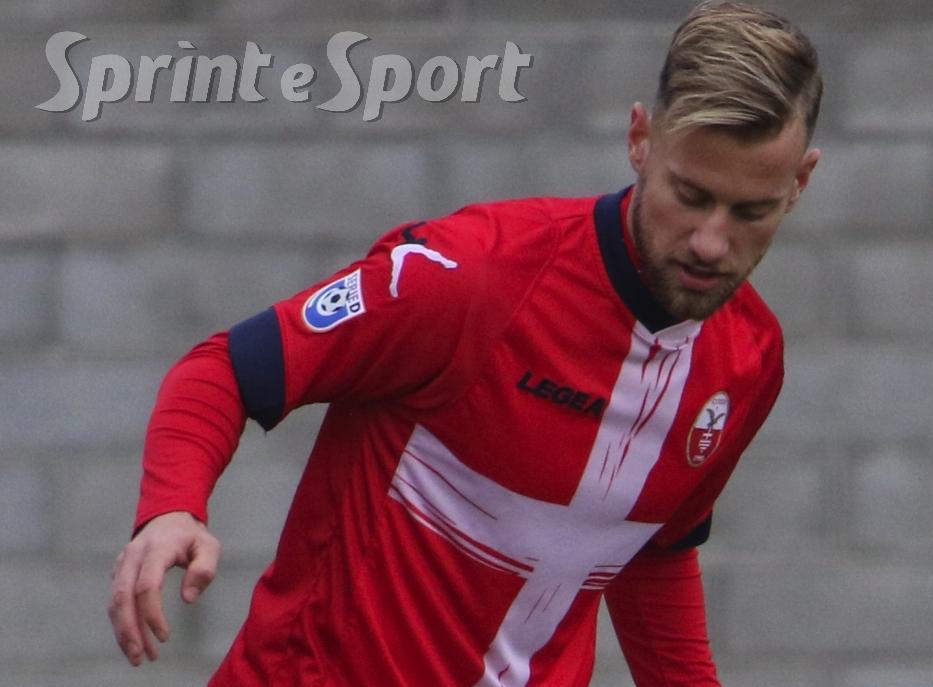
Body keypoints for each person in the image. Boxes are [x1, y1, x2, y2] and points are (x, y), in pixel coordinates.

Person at [107, 1, 822, 684]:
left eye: (750, 211)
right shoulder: (469, 279)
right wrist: (173, 507)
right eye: (690, 195)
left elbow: (651, 552)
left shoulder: (748, 359)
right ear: (639, 140)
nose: (710, 241)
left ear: (799, 185)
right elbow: (226, 370)